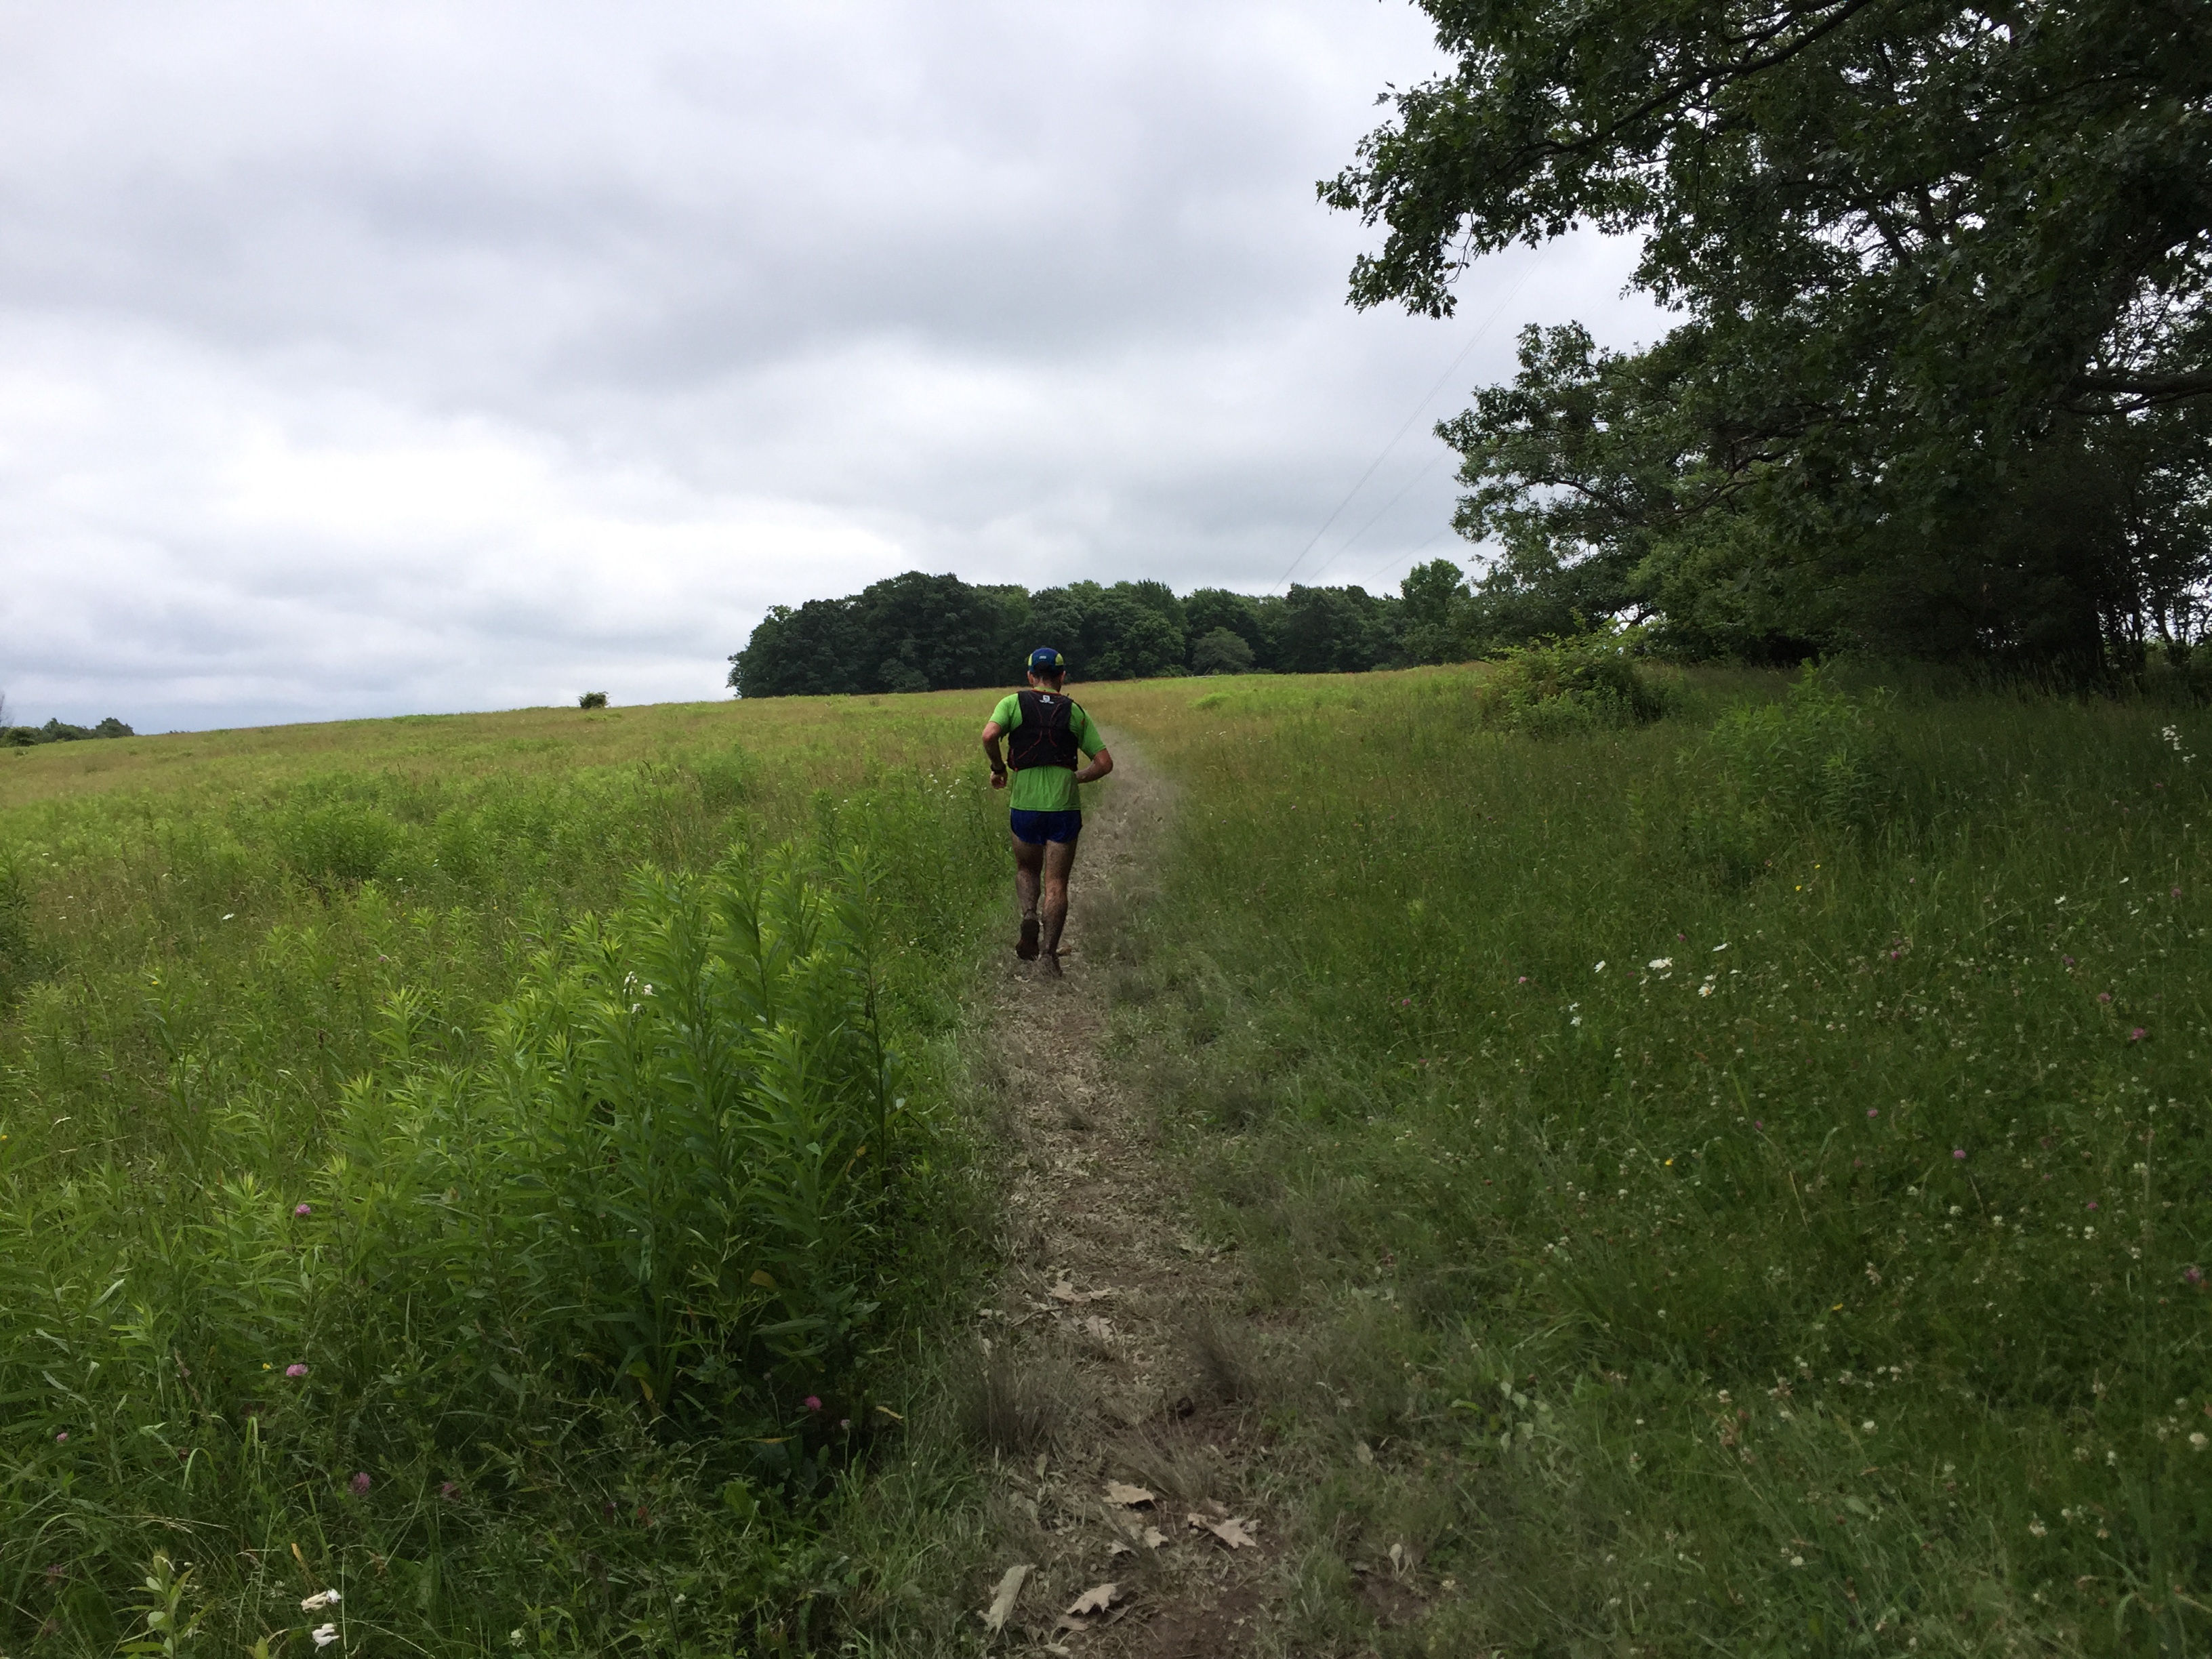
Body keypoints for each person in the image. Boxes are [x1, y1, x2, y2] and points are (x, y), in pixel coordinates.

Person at [981, 647, 1113, 976]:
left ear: (1030, 676)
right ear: (1062, 677)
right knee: (1057, 883)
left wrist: (998, 768)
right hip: (1063, 808)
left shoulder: (1012, 703)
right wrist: (1074, 777)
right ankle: (1049, 956)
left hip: (1024, 806)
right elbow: (1104, 764)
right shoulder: (1074, 711)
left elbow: (989, 735)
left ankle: (1029, 915)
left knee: (1027, 869)